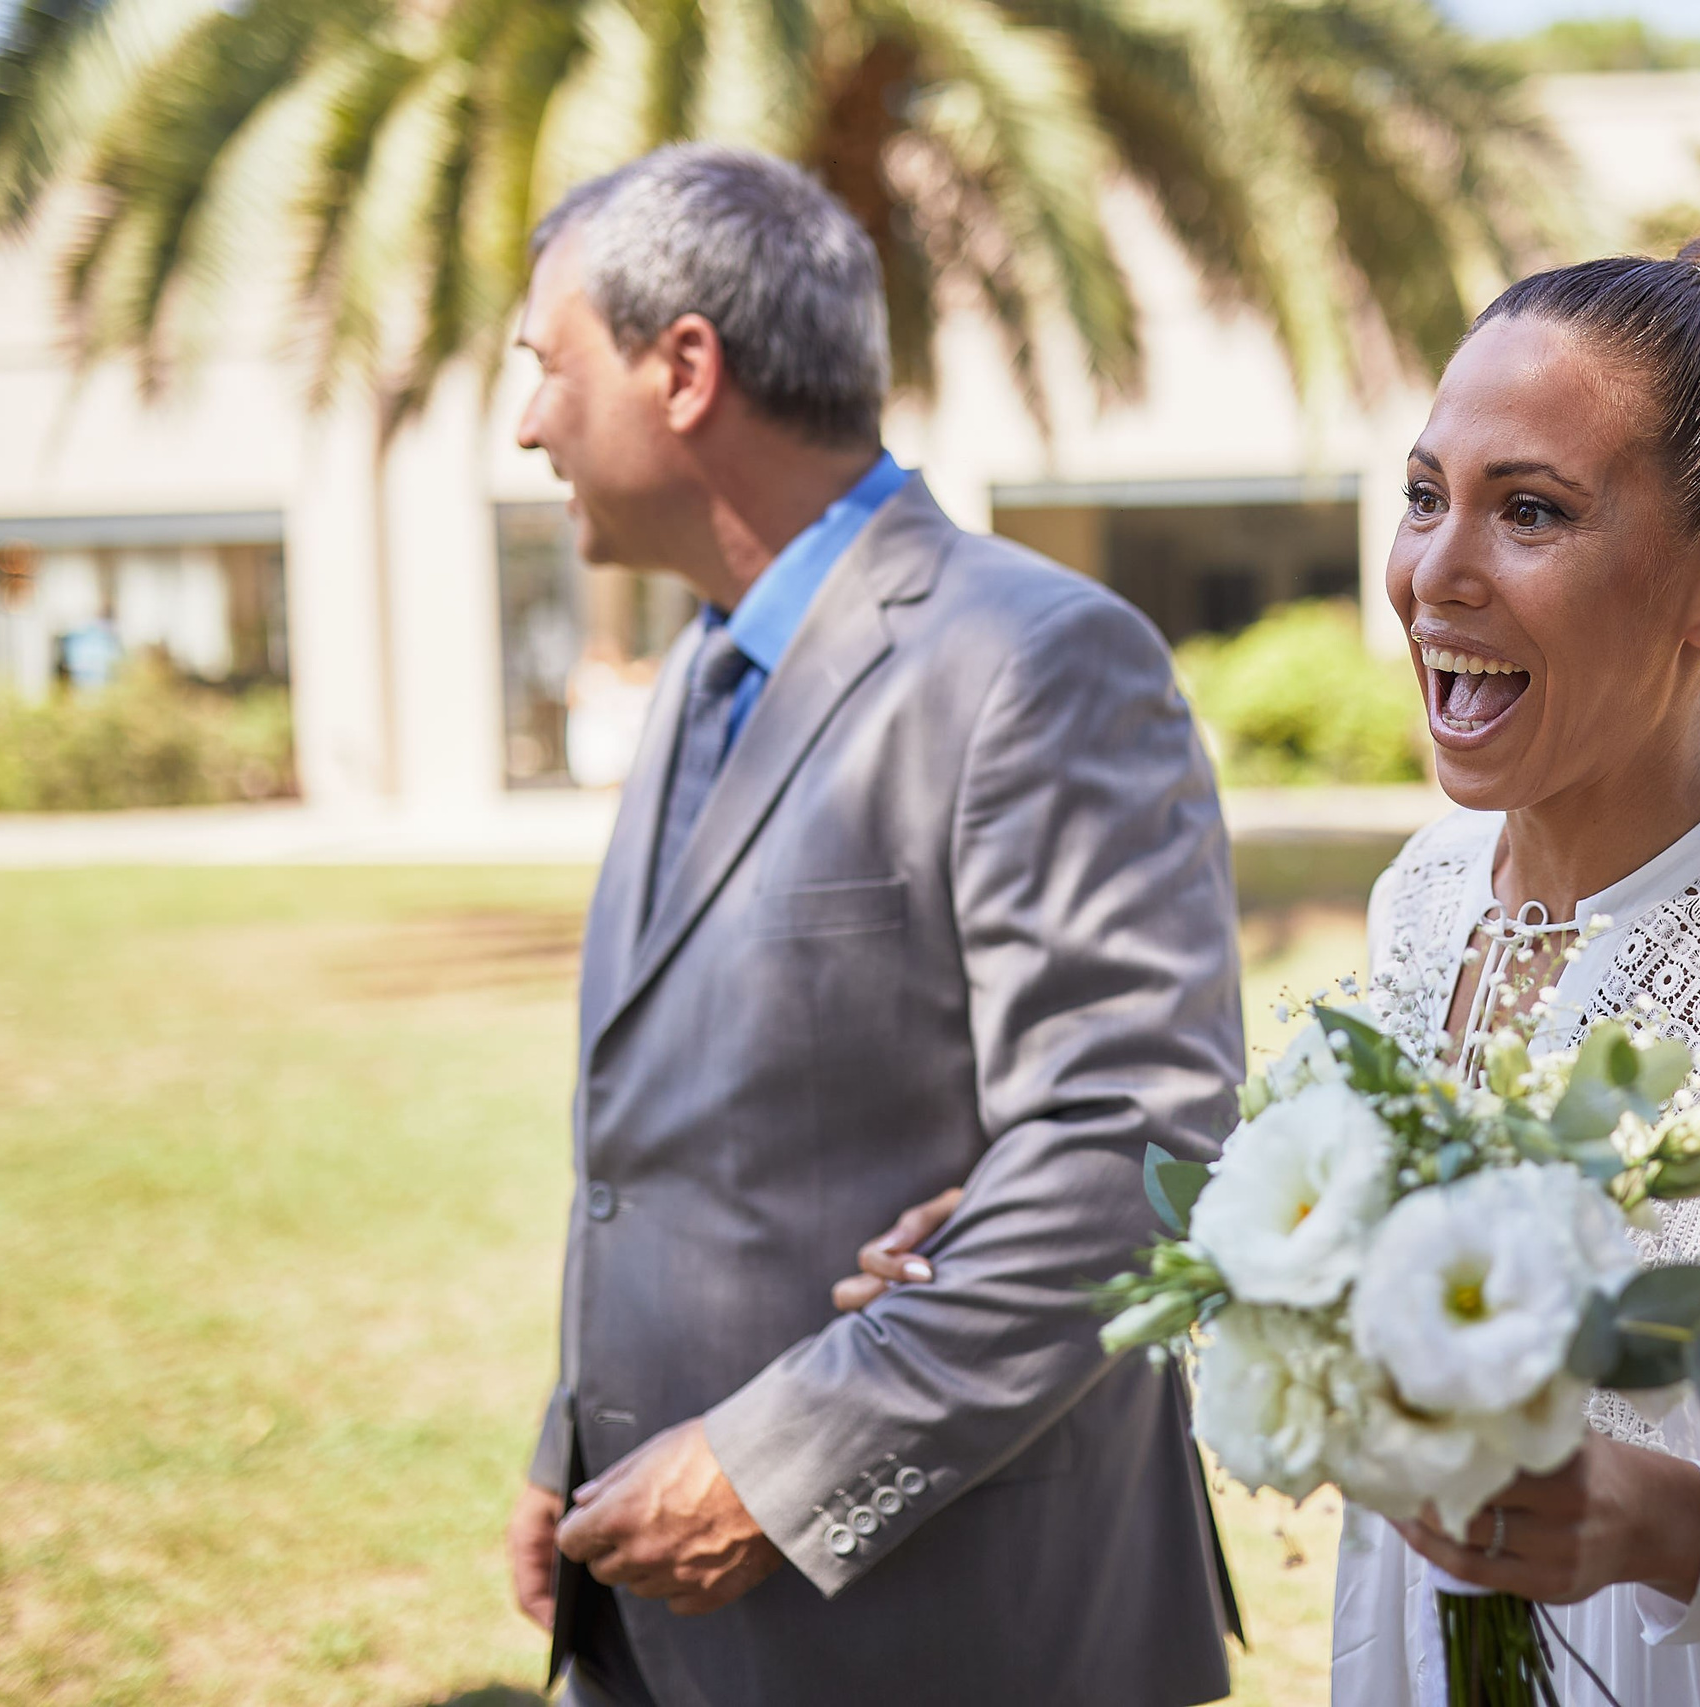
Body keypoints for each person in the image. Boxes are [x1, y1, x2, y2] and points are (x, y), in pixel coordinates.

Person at [862, 236, 1700, 1705]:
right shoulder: (1422, 899)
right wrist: (1101, 1226)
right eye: (1426, 496)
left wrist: (1679, 1521)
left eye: (1529, 510)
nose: (1434, 572)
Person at [502, 143, 1243, 1707]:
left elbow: (1133, 1145)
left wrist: (779, 1469)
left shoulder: (1038, 660)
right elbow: (672, 1139)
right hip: (656, 1609)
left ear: (683, 367)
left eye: (546, 366)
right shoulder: (705, 664)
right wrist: (574, 1432)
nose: (528, 423)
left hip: (951, 1628)